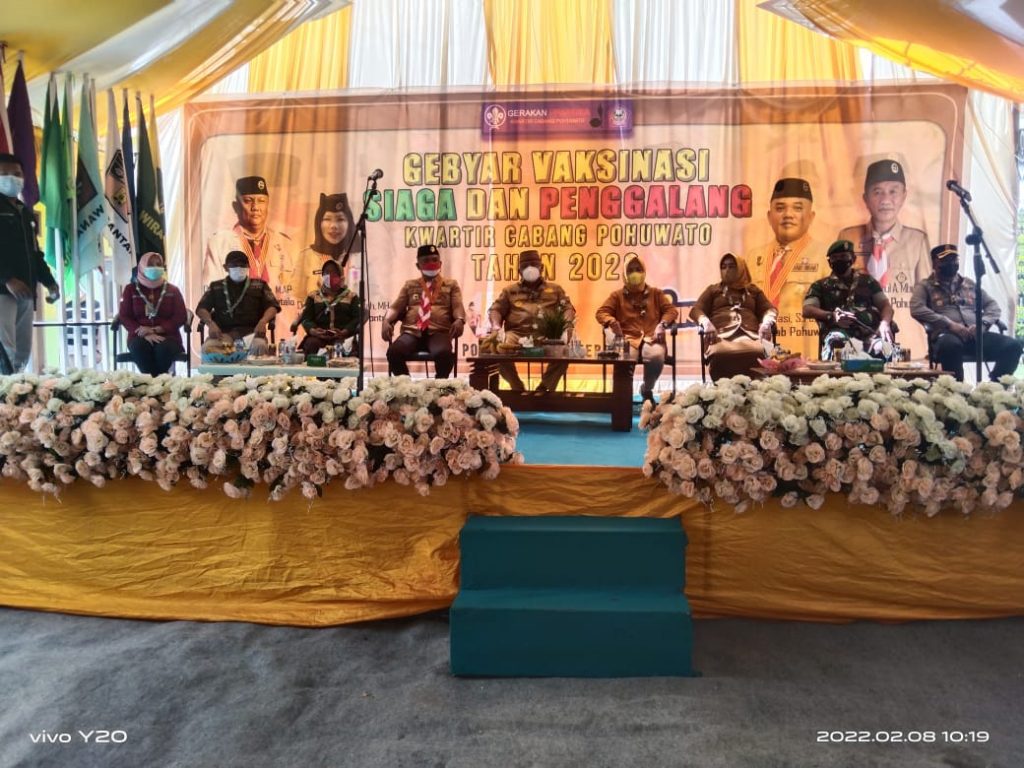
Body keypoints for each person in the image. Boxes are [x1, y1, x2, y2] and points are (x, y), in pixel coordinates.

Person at [839, 159, 930, 356]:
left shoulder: (917, 240)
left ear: (904, 196)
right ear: (865, 198)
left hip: (904, 334)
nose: (885, 200)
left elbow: (926, 297)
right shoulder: (849, 237)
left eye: (893, 191)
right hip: (858, 333)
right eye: (877, 192)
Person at [910, 244, 1022, 380]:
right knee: (950, 346)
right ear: (934, 263)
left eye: (954, 259)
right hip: (947, 335)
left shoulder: (969, 284)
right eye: (946, 260)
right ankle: (958, 390)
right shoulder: (925, 286)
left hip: (976, 335)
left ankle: (995, 387)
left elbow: (992, 306)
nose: (951, 263)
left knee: (1013, 346)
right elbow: (917, 309)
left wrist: (983, 324)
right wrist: (949, 324)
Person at [746, 177, 827, 359]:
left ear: (811, 216)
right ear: (769, 216)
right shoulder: (753, 257)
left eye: (797, 208)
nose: (788, 215)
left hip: (806, 354)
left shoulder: (825, 256)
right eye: (780, 208)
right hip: (760, 350)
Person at [203, 175, 299, 326]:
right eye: (248, 201)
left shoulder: (285, 244)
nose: (256, 207)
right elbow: (212, 291)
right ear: (236, 206)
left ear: (268, 205)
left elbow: (295, 293)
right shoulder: (219, 243)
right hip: (236, 319)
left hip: (278, 322)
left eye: (261, 201)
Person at [0, 153, 59, 372]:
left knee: (22, 350)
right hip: (3, 290)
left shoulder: (25, 212)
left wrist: (49, 281)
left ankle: (18, 390)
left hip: (26, 289)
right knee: (5, 350)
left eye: (16, 174)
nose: (11, 178)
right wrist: (7, 279)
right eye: (4, 174)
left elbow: (34, 253)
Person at [488, 249, 575, 392]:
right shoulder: (509, 291)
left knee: (564, 351)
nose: (530, 268)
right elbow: (495, 310)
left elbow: (568, 308)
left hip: (548, 336)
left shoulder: (555, 289)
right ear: (519, 271)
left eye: (534, 264)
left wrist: (567, 326)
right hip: (516, 335)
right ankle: (517, 387)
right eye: (525, 266)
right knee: (497, 349)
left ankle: (545, 388)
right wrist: (496, 327)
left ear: (541, 267)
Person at [595, 255, 678, 402]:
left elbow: (671, 311)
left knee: (656, 356)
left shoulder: (656, 293)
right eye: (631, 270)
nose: (635, 273)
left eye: (638, 269)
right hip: (627, 339)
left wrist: (662, 325)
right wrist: (611, 321)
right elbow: (601, 313)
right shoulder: (617, 296)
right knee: (624, 359)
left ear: (644, 272)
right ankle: (621, 399)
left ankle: (647, 389)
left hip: (652, 337)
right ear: (625, 274)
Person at [381, 244, 465, 378]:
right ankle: (405, 386)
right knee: (394, 353)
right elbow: (396, 307)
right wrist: (386, 321)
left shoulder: (451, 285)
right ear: (418, 265)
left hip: (438, 332)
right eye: (426, 261)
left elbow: (458, 306)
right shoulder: (410, 285)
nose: (431, 263)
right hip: (412, 332)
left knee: (445, 355)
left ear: (440, 263)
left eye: (434, 260)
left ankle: (438, 386)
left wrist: (460, 320)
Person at [689, 253, 777, 380]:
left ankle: (756, 389)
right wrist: (706, 323)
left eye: (731, 266)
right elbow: (696, 310)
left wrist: (767, 323)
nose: (727, 270)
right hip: (721, 336)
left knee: (760, 351)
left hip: (752, 336)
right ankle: (723, 389)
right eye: (723, 267)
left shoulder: (753, 290)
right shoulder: (713, 290)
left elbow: (769, 309)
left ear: (741, 269)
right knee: (720, 353)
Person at [802, 240, 895, 359]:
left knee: (883, 347)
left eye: (843, 256)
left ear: (853, 258)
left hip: (870, 334)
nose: (839, 260)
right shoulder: (820, 286)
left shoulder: (868, 282)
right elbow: (807, 309)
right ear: (829, 262)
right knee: (839, 341)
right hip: (838, 334)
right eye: (834, 258)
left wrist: (885, 323)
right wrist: (831, 316)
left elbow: (885, 306)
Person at [195, 250, 280, 355]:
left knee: (259, 346)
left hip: (251, 334)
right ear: (226, 268)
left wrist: (263, 322)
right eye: (234, 265)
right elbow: (201, 308)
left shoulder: (259, 285)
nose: (239, 268)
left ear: (248, 267)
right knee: (208, 349)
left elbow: (272, 306)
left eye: (242, 265)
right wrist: (210, 323)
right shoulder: (216, 287)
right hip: (223, 334)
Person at [116, 252, 187, 375]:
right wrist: (142, 331)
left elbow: (180, 316)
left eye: (158, 264)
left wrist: (157, 329)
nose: (155, 267)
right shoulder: (130, 290)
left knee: (163, 349)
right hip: (139, 336)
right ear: (142, 267)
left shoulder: (172, 290)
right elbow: (124, 316)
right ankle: (157, 381)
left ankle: (151, 382)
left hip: (168, 336)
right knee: (139, 347)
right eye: (150, 264)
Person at [296, 259, 362, 355]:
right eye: (326, 272)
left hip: (342, 337)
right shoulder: (313, 296)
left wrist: (344, 332)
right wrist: (314, 331)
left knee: (345, 347)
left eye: (334, 272)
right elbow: (306, 318)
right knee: (311, 344)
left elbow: (357, 318)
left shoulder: (352, 296)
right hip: (318, 338)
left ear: (341, 276)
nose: (330, 275)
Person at [297, 193, 357, 297]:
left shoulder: (359, 258)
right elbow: (294, 296)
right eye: (327, 219)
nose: (333, 226)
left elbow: (374, 295)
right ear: (319, 223)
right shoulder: (306, 257)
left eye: (340, 219)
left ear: (349, 223)